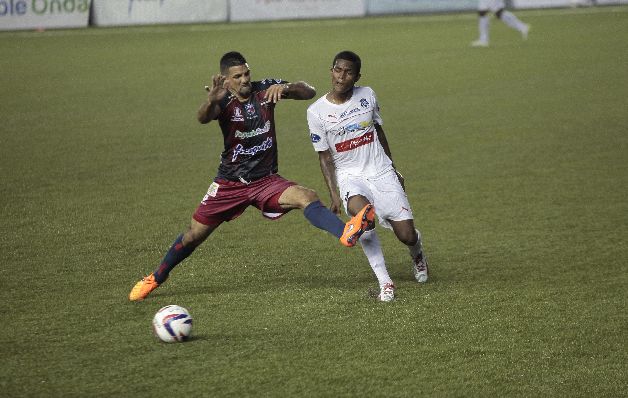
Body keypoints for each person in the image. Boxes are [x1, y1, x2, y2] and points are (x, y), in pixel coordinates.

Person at [129, 51, 374, 301]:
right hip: (229, 184)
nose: (245, 79)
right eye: (238, 76)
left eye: (247, 73)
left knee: (306, 196)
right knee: (193, 235)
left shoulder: (265, 90)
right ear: (226, 80)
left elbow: (309, 91)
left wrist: (286, 87)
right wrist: (211, 101)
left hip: (265, 181)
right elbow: (203, 118)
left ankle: (345, 233)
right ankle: (156, 277)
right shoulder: (222, 101)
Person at [306, 51, 428, 302]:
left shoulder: (367, 95)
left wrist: (393, 168)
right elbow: (324, 157)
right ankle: (386, 282)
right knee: (364, 219)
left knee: (406, 235)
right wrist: (334, 195)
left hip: (380, 171)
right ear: (331, 71)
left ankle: (417, 252)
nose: (342, 76)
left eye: (348, 72)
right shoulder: (316, 112)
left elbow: (379, 131)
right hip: (350, 176)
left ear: (357, 76)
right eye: (338, 70)